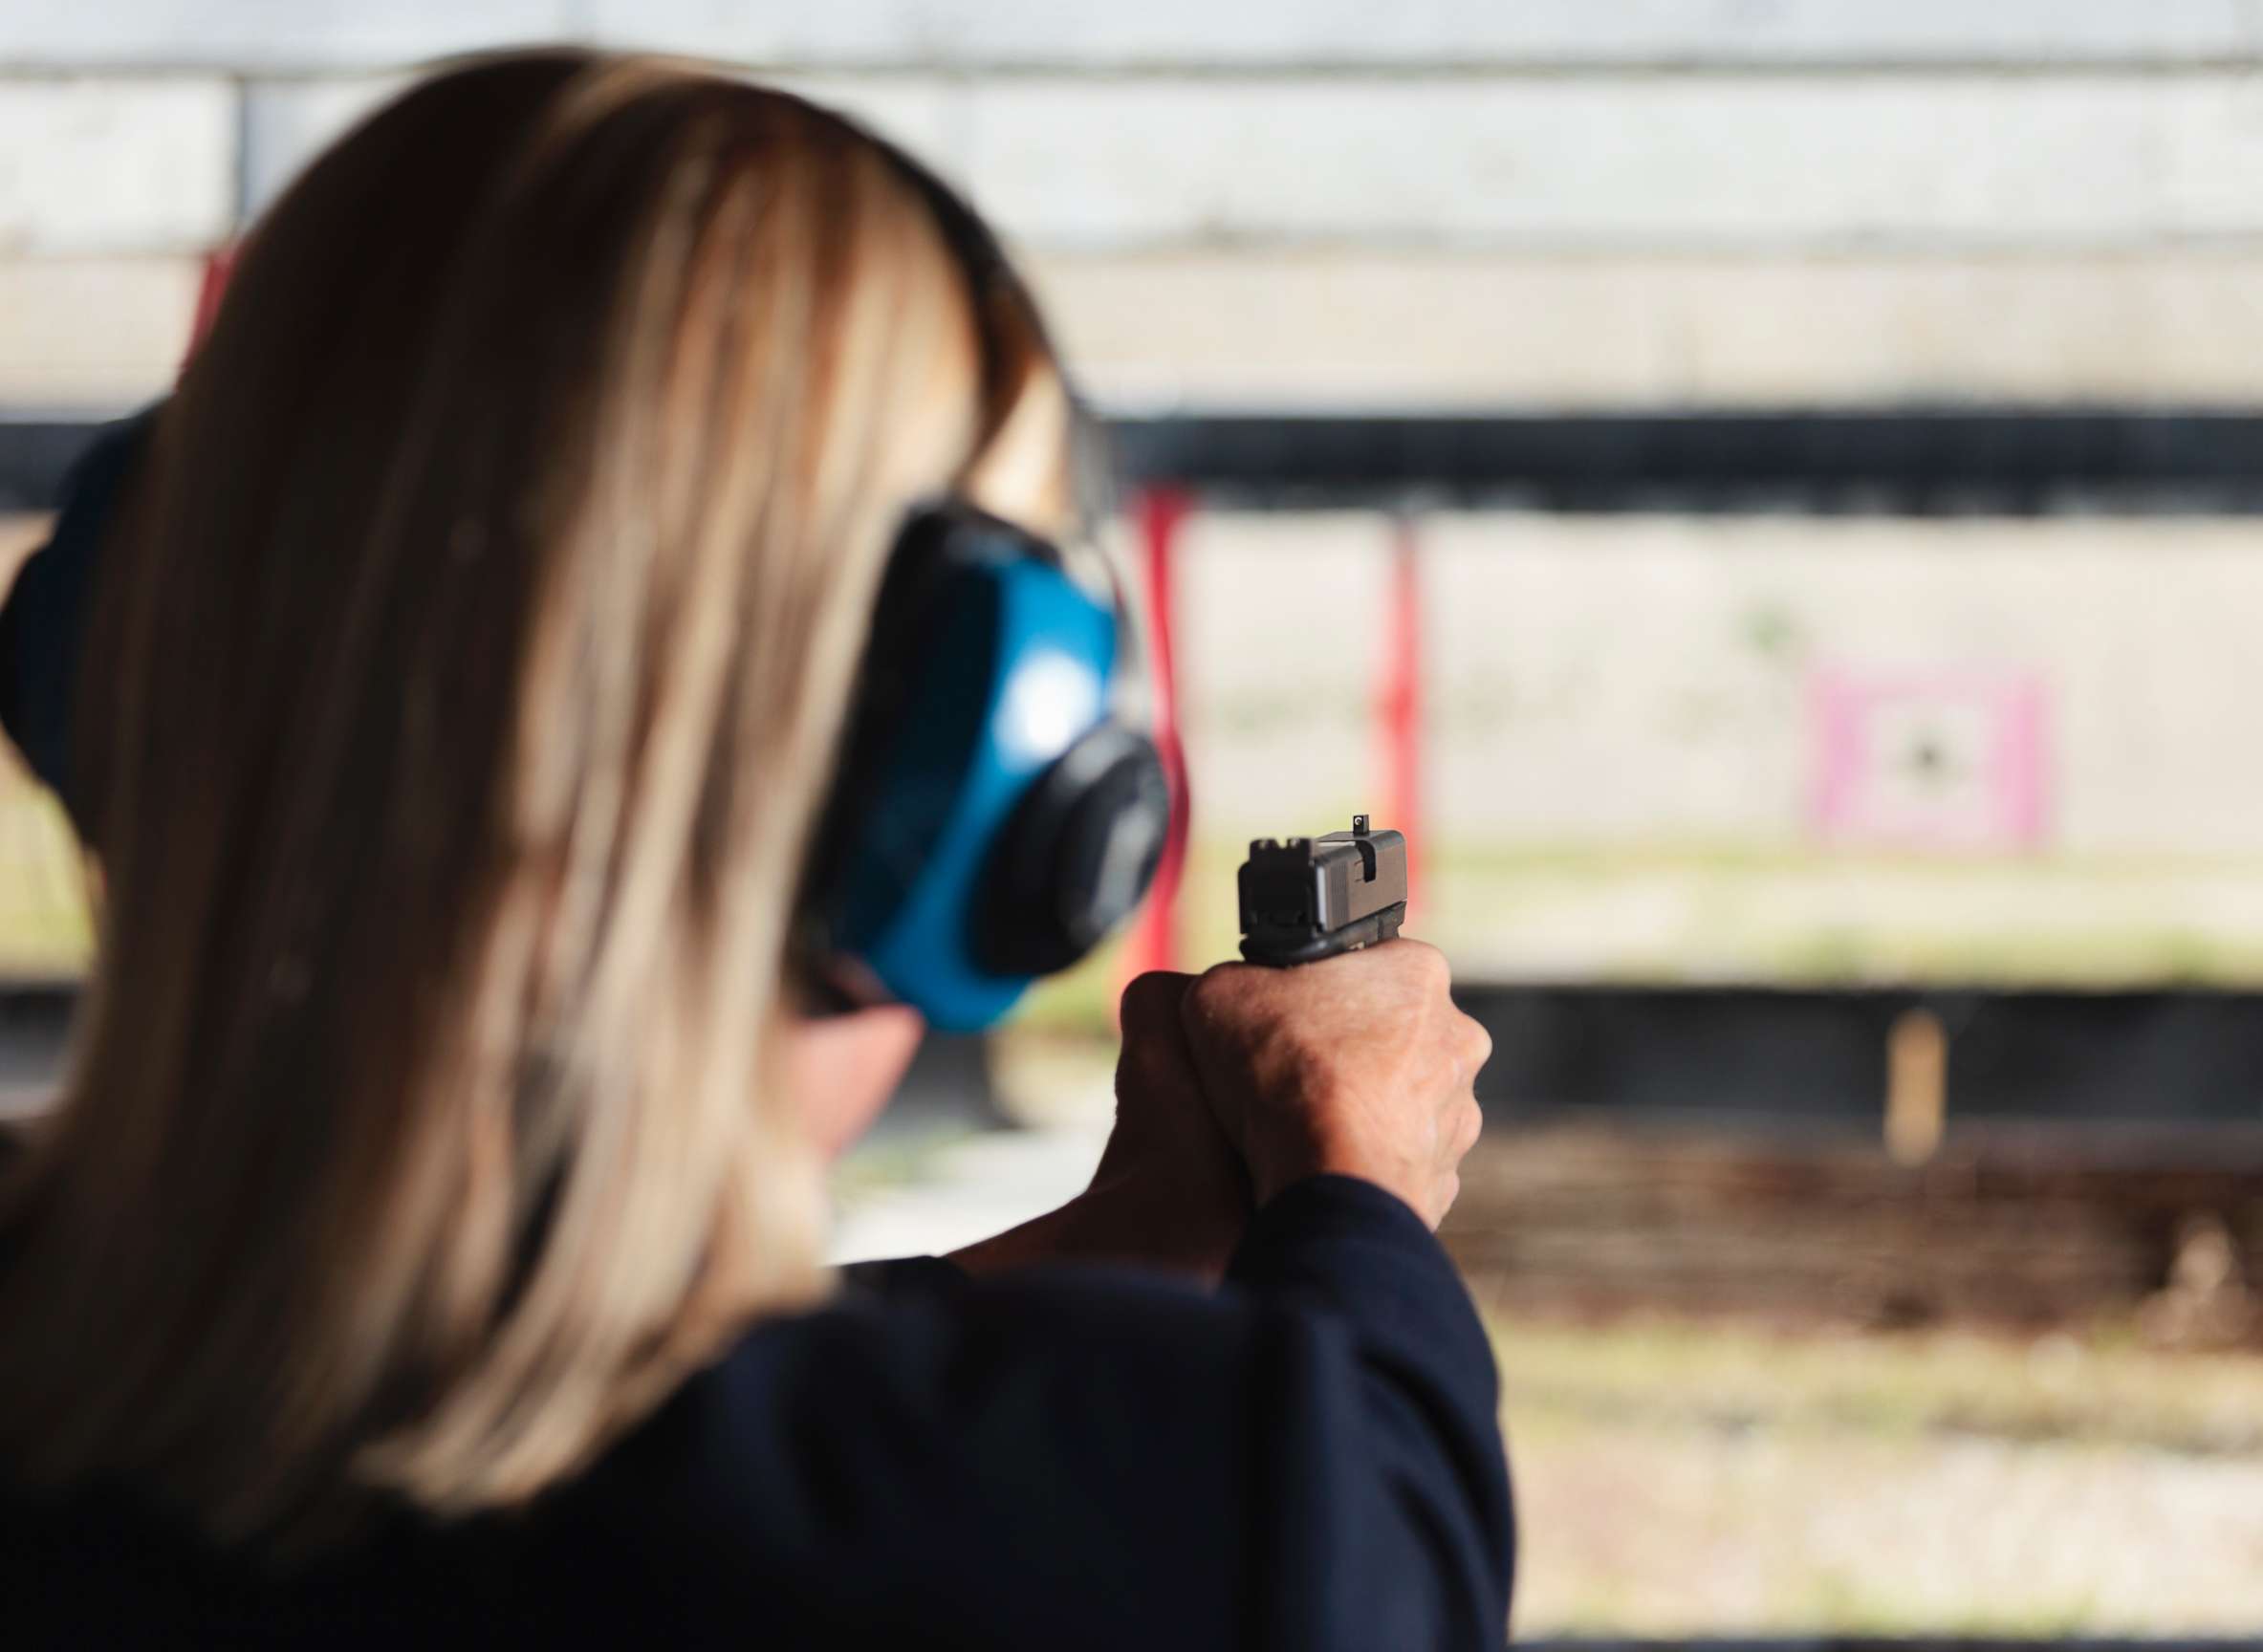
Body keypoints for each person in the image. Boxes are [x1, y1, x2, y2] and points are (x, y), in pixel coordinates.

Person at [0, 50, 1508, 1650]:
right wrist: (1359, 1188)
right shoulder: (1207, 1514)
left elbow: (528, 1405)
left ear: (118, 668)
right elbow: (1352, 1538)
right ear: (976, 792)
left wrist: (1110, 1246)